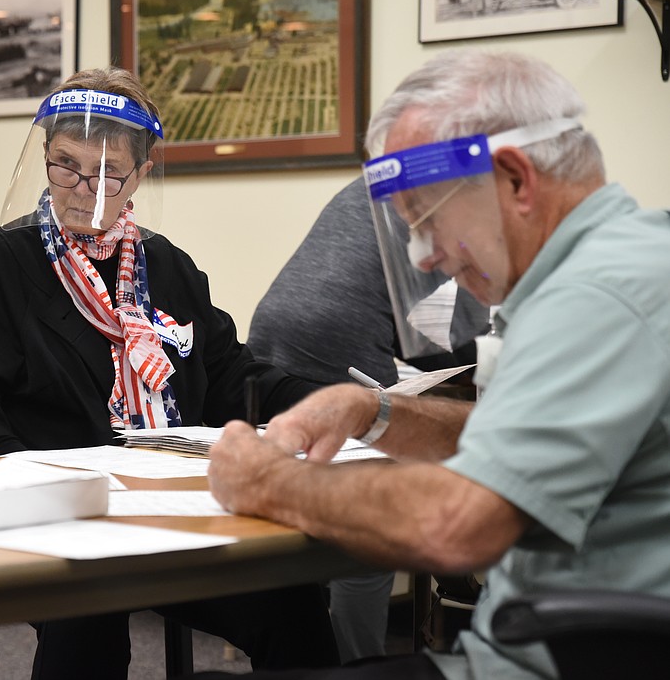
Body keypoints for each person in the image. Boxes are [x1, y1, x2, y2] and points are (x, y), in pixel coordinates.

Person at [201, 48, 670, 679]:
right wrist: (375, 410)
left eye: (425, 219)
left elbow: (457, 525)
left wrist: (266, 483)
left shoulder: (596, 294)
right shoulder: (622, 263)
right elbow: (514, 443)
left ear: (514, 179)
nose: (423, 257)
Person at [0, 66, 339, 679]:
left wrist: (329, 405)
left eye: (109, 174)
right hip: (62, 517)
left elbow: (230, 376)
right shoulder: (1, 265)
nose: (83, 191)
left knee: (291, 598)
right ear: (43, 157)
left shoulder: (166, 267)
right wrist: (31, 487)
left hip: (168, 511)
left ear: (141, 174)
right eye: (66, 166)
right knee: (88, 616)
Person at [246, 176, 483, 664]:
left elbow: (394, 307)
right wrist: (486, 353)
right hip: (337, 349)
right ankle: (358, 664)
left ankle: (306, 645)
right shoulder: (447, 200)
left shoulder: (372, 187)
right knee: (368, 543)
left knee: (298, 501)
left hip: (266, 341)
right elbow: (443, 338)